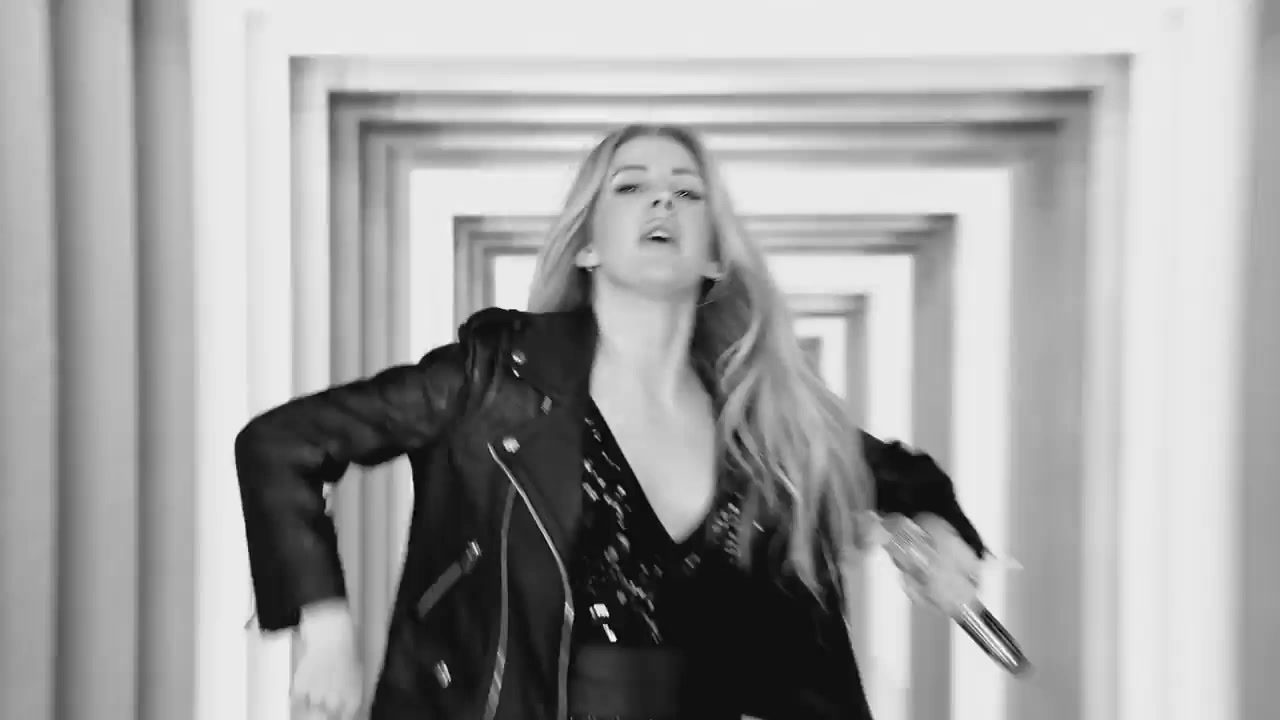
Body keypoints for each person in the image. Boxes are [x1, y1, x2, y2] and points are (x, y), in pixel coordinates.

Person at [236, 124, 988, 720]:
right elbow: (281, 444)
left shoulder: (765, 420)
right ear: (589, 243)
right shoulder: (496, 377)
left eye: (688, 193)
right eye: (631, 186)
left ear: (715, 257)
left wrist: (944, 540)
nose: (663, 203)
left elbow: (905, 478)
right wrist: (326, 628)